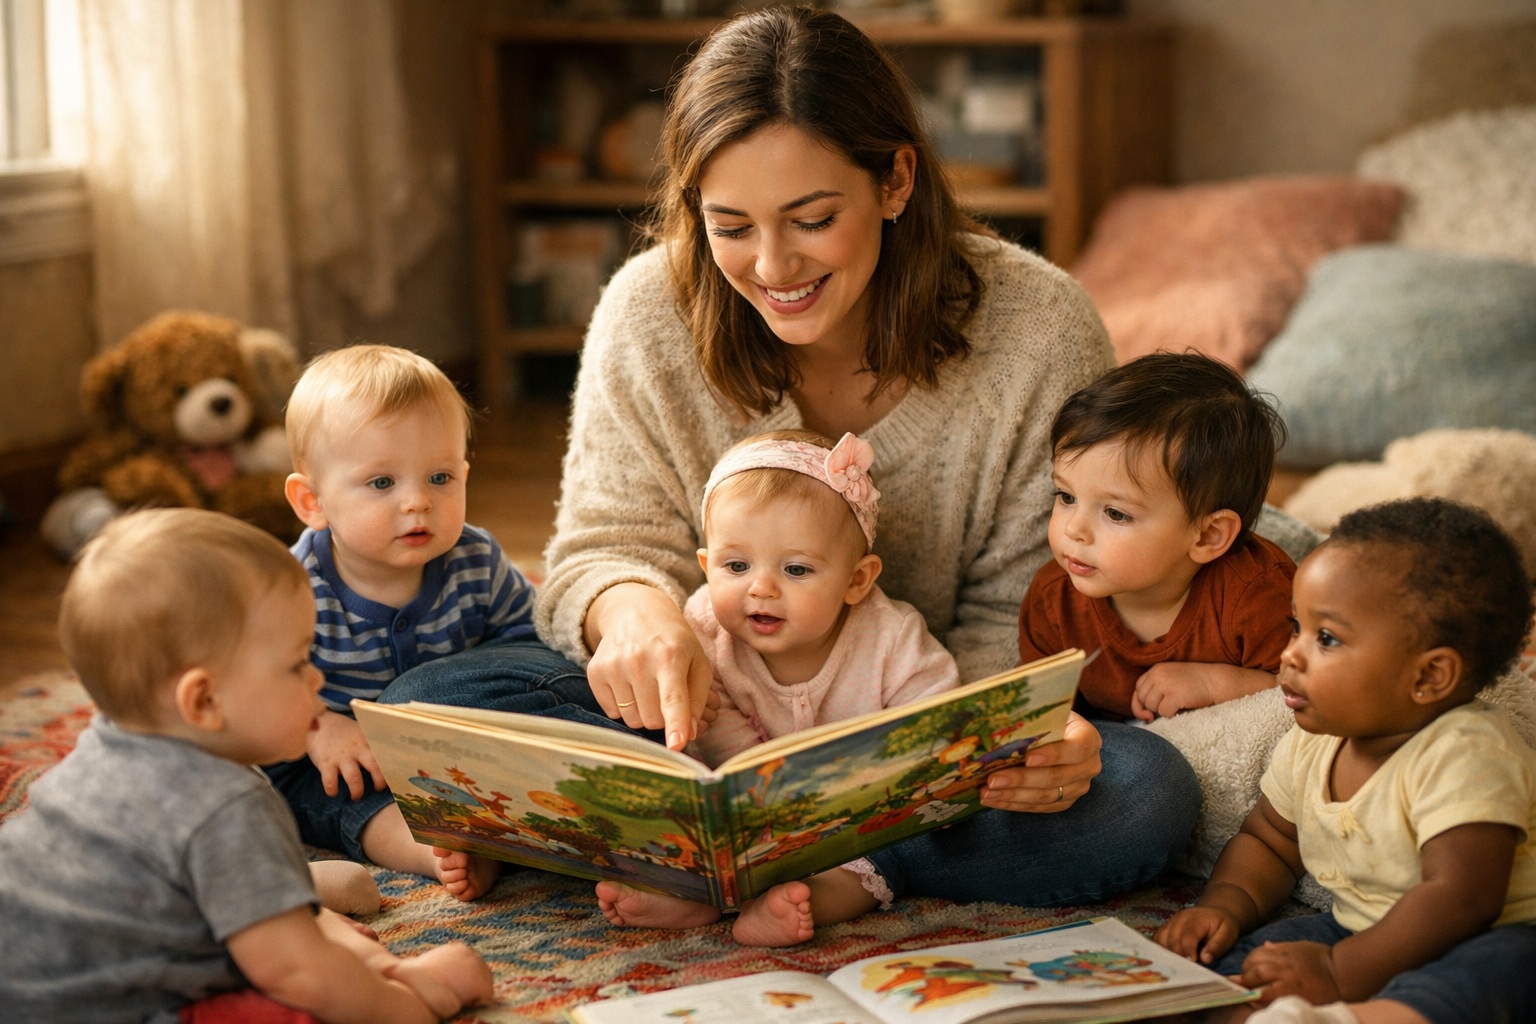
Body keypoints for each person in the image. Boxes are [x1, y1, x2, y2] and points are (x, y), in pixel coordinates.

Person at [381, 3, 1201, 911]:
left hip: (914, 738)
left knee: (1144, 793)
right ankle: (793, 861)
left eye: (812, 219)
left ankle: (682, 857)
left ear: (895, 181)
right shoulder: (648, 310)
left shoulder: (1038, 330)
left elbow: (1027, 610)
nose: (772, 265)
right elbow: (601, 549)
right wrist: (637, 615)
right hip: (700, 728)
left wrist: (943, 754)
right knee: (436, 699)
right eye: (730, 225)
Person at [0, 508, 493, 1023]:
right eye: (298, 664)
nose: (317, 683)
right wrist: (411, 1004)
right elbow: (298, 975)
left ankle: (286, 908)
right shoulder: (226, 806)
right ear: (204, 701)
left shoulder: (102, 747)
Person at [1155, 497, 1536, 1024]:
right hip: (1358, 929)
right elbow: (1269, 840)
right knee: (1243, 966)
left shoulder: (1467, 751)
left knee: (1498, 975)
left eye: (1326, 638)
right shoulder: (1316, 740)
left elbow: (1463, 899)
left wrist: (1339, 971)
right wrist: (1223, 908)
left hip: (1491, 934)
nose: (1290, 655)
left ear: (1428, 677)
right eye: (1296, 627)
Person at [596, 429, 960, 945]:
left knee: (892, 849)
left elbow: (939, 718)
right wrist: (756, 787)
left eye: (795, 569)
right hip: (737, 808)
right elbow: (709, 716)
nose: (760, 587)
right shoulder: (702, 626)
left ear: (857, 580)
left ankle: (811, 900)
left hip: (850, 815)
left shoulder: (892, 637)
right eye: (736, 566)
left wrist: (913, 774)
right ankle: (689, 894)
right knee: (661, 805)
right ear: (707, 565)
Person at [273, 343, 539, 901]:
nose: (418, 502)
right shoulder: (292, 588)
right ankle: (438, 850)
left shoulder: (477, 560)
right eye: (381, 483)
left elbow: (528, 645)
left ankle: (509, 829)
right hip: (342, 763)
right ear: (311, 502)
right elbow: (257, 684)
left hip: (460, 754)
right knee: (322, 799)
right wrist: (319, 727)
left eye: (440, 478)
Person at [1017, 352, 1295, 722]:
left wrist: (1218, 684)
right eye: (1066, 497)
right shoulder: (1054, 602)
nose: (1073, 530)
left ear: (1208, 536)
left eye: (1116, 513)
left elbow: (1316, 692)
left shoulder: (1257, 596)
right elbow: (1042, 720)